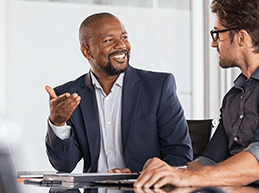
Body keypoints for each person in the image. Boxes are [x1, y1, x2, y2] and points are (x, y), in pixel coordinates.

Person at [134, 0, 259, 188]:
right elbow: (208, 161)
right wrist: (167, 172)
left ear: (242, 37)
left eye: (217, 34)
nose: (213, 44)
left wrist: (188, 178)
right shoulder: (233, 97)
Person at [45, 12, 192, 173]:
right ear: (87, 51)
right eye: (109, 40)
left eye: (124, 37)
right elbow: (64, 166)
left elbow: (180, 156)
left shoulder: (158, 87)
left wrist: (140, 175)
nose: (121, 45)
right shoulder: (68, 96)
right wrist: (57, 123)